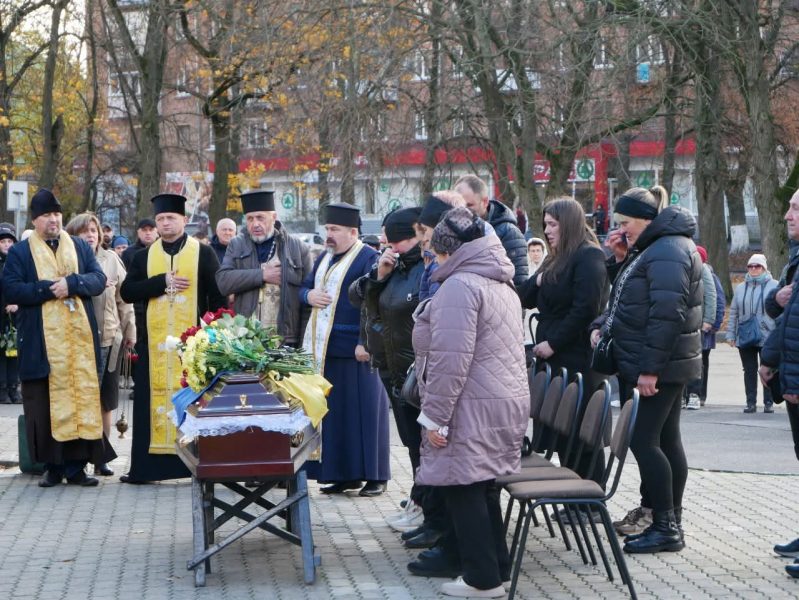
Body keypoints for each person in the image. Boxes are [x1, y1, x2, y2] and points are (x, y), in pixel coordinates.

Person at [411, 206, 528, 598]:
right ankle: (497, 567)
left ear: (450, 251)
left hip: (469, 403)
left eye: (435, 252)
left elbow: (450, 361)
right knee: (482, 487)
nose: (432, 259)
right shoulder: (499, 281)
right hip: (498, 402)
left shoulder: (461, 286)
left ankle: (482, 581)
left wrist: (435, 418)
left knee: (462, 487)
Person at [590, 185, 702, 554]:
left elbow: (666, 314)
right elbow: (631, 297)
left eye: (625, 223)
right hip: (663, 364)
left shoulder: (668, 248)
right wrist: (620, 257)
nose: (621, 230)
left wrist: (650, 369)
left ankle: (666, 525)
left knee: (644, 440)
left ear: (646, 218)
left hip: (659, 366)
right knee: (666, 440)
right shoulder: (658, 247)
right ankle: (668, 520)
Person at [4, 189, 115, 487]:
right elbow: (12, 289)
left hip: (79, 343)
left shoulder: (79, 246)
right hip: (41, 345)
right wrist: (47, 289)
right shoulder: (20, 252)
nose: (53, 220)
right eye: (46, 216)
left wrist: (73, 283)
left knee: (80, 400)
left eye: (56, 215)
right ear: (35, 220)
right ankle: (51, 468)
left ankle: (77, 468)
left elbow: (98, 279)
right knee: (42, 405)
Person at [119, 194, 225, 483]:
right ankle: (146, 469)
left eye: (172, 218)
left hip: (192, 348)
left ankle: (196, 465)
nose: (166, 223)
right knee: (149, 403)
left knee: (193, 402)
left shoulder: (203, 253)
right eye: (161, 219)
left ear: (184, 220)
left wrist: (210, 334)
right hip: (152, 346)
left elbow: (217, 299)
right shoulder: (143, 256)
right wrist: (160, 282)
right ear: (156, 223)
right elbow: (127, 291)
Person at [300, 202, 391, 497]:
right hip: (327, 350)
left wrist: (365, 341)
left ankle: (376, 476)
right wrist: (308, 294)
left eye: (334, 229)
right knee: (337, 416)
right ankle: (343, 474)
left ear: (353, 232)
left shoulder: (368, 257)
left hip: (357, 349)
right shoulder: (324, 258)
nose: (329, 234)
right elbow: (304, 287)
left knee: (367, 413)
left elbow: (375, 301)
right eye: (327, 229)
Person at [351, 207, 430, 541]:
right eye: (387, 240)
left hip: (414, 370)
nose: (389, 246)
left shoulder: (424, 268)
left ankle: (426, 506)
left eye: (395, 240)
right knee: (411, 444)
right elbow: (358, 297)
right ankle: (419, 499)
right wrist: (378, 277)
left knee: (421, 445)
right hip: (391, 367)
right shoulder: (391, 264)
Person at [517, 198, 609, 481]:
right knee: (562, 431)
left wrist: (553, 342)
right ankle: (572, 494)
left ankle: (588, 497)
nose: (547, 230)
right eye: (545, 224)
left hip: (576, 355)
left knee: (581, 432)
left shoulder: (588, 256)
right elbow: (524, 296)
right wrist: (539, 280)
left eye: (553, 224)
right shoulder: (555, 256)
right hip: (554, 356)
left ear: (568, 224)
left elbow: (586, 309)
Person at [65, 213, 135, 477]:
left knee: (106, 401)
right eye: (84, 231)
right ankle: (80, 457)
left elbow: (124, 299)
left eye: (93, 230)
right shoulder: (70, 260)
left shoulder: (111, 259)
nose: (91, 235)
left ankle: (101, 457)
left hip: (110, 338)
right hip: (80, 341)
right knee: (84, 400)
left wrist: (131, 332)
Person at [760, 190, 799, 578]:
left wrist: (770, 360)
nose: (787, 214)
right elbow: (782, 309)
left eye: (795, 208)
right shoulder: (796, 257)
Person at [216, 190, 311, 344]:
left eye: (260, 217)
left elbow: (308, 300)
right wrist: (262, 275)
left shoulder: (298, 248)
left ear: (273, 217)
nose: (255, 224)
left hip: (286, 340)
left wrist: (303, 343)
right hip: (246, 341)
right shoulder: (237, 244)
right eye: (250, 219)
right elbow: (223, 282)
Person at [453, 174, 528, 287]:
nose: (463, 211)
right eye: (458, 205)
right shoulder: (452, 231)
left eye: (469, 205)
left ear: (485, 201)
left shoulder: (509, 233)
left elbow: (519, 286)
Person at [726, 253, 778, 414]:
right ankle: (751, 402)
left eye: (757, 266)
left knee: (767, 369)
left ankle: (768, 402)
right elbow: (733, 312)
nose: (754, 269)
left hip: (767, 335)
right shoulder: (741, 288)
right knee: (749, 370)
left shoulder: (774, 286)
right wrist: (730, 335)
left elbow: (779, 311)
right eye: (750, 266)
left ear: (764, 268)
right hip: (746, 335)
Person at [686, 245, 725, 408]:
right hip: (683, 323)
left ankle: (695, 394)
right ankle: (684, 394)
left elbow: (712, 295)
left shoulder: (703, 270)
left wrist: (709, 321)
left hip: (698, 323)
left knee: (698, 360)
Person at [0, 223, 20, 404]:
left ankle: (14, 388)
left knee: (14, 354)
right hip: (1, 318)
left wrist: (17, 304)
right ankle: (3, 389)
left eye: (9, 241)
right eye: (3, 241)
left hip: (15, 317)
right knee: (2, 355)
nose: (6, 245)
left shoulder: (18, 263)